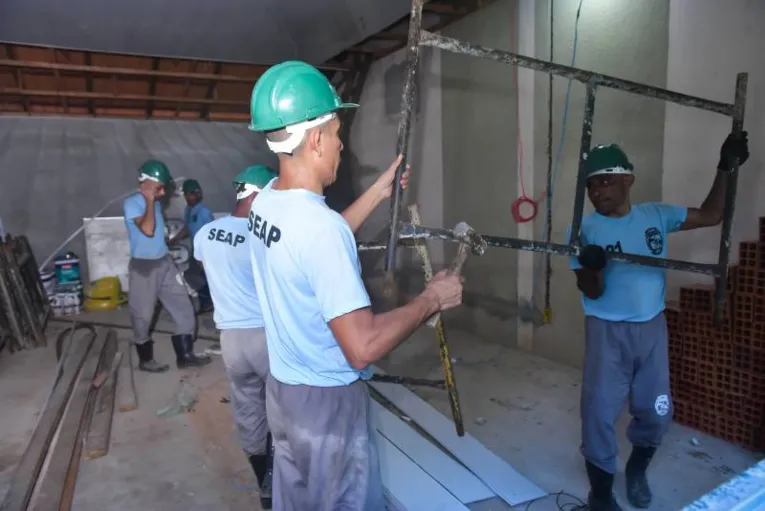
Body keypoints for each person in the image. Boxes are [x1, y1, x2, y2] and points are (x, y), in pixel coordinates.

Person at [246, 60, 464, 511]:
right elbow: (362, 347)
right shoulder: (318, 229)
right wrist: (431, 298)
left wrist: (379, 193)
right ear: (316, 138)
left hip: (282, 394)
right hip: (326, 408)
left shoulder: (266, 203)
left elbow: (314, 247)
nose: (342, 144)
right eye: (337, 131)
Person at [569, 132, 749, 511]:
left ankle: (636, 470)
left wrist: (725, 167)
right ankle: (600, 496)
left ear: (626, 180)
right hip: (606, 330)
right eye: (590, 185)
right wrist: (592, 266)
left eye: (603, 180)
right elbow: (592, 291)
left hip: (651, 329)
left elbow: (713, 215)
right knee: (598, 413)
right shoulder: (584, 230)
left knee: (655, 410)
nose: (596, 191)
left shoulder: (656, 216)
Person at [193, 165, 279, 509]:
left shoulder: (206, 233)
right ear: (259, 194)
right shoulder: (265, 237)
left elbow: (203, 269)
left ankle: (264, 488)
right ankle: (286, 486)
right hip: (265, 338)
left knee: (248, 412)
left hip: (230, 341)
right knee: (284, 413)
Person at [123, 160, 212, 373]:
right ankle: (145, 359)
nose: (163, 192)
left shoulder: (155, 203)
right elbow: (147, 229)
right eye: (159, 187)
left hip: (165, 263)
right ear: (147, 183)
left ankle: (185, 355)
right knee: (142, 315)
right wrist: (149, 198)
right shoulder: (133, 203)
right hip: (144, 267)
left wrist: (153, 200)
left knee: (184, 308)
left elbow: (159, 234)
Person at [170, 178, 215, 312]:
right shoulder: (188, 210)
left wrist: (206, 255)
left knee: (202, 277)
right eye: (190, 194)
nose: (194, 196)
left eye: (196, 193)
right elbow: (187, 228)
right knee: (194, 276)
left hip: (205, 252)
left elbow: (211, 233)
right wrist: (176, 239)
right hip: (195, 251)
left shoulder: (204, 212)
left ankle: (208, 302)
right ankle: (205, 302)